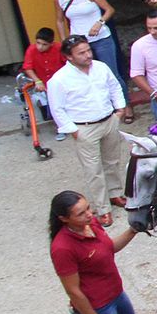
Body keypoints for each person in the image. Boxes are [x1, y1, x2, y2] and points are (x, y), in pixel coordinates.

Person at [47, 36, 130, 225]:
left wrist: (119, 109)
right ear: (69, 57)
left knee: (112, 161)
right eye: (81, 53)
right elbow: (57, 108)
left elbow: (114, 87)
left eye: (88, 50)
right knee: (93, 170)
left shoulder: (100, 67)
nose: (88, 55)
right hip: (84, 127)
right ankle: (103, 209)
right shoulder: (59, 79)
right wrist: (72, 130)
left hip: (108, 120)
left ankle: (115, 194)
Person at [54, 0, 131, 117]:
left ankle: (125, 105)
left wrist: (99, 22)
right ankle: (103, 107)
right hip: (79, 43)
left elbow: (109, 9)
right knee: (88, 75)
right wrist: (65, 41)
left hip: (101, 38)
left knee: (112, 73)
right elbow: (59, 20)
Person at [23, 26, 68, 137]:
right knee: (54, 105)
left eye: (44, 44)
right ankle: (61, 128)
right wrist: (37, 81)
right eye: (38, 43)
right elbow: (28, 68)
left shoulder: (59, 48)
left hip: (61, 80)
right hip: (45, 82)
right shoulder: (31, 50)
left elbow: (68, 63)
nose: (40, 47)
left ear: (51, 43)